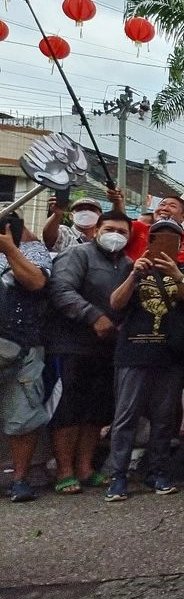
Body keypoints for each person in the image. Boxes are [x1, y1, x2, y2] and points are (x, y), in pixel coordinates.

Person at [103, 218, 184, 502]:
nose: (166, 242)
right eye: (159, 238)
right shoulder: (131, 267)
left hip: (170, 355)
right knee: (125, 417)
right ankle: (118, 475)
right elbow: (115, 304)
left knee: (164, 418)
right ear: (149, 241)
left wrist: (178, 276)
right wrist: (133, 276)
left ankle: (157, 471)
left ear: (181, 245)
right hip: (133, 353)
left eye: (173, 239)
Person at [46, 211, 132, 495]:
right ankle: (64, 471)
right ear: (96, 230)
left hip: (108, 349)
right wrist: (93, 316)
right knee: (69, 409)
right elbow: (60, 290)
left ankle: (85, 467)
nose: (115, 235)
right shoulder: (77, 255)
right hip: (72, 345)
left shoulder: (129, 265)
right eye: (110, 228)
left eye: (122, 231)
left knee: (97, 411)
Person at [0, 213, 51, 502]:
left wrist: (9, 249)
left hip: (21, 349)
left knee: (23, 417)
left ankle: (20, 478)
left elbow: (35, 282)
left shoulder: (33, 250)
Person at [113, 193, 184, 265]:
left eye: (172, 206)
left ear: (183, 216)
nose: (164, 208)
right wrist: (117, 203)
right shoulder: (138, 228)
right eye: (162, 204)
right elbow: (117, 223)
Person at [42, 195, 108, 254]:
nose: (86, 212)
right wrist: (57, 214)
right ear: (71, 216)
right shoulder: (64, 232)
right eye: (80, 209)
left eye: (92, 209)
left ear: (100, 216)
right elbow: (48, 237)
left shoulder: (103, 239)